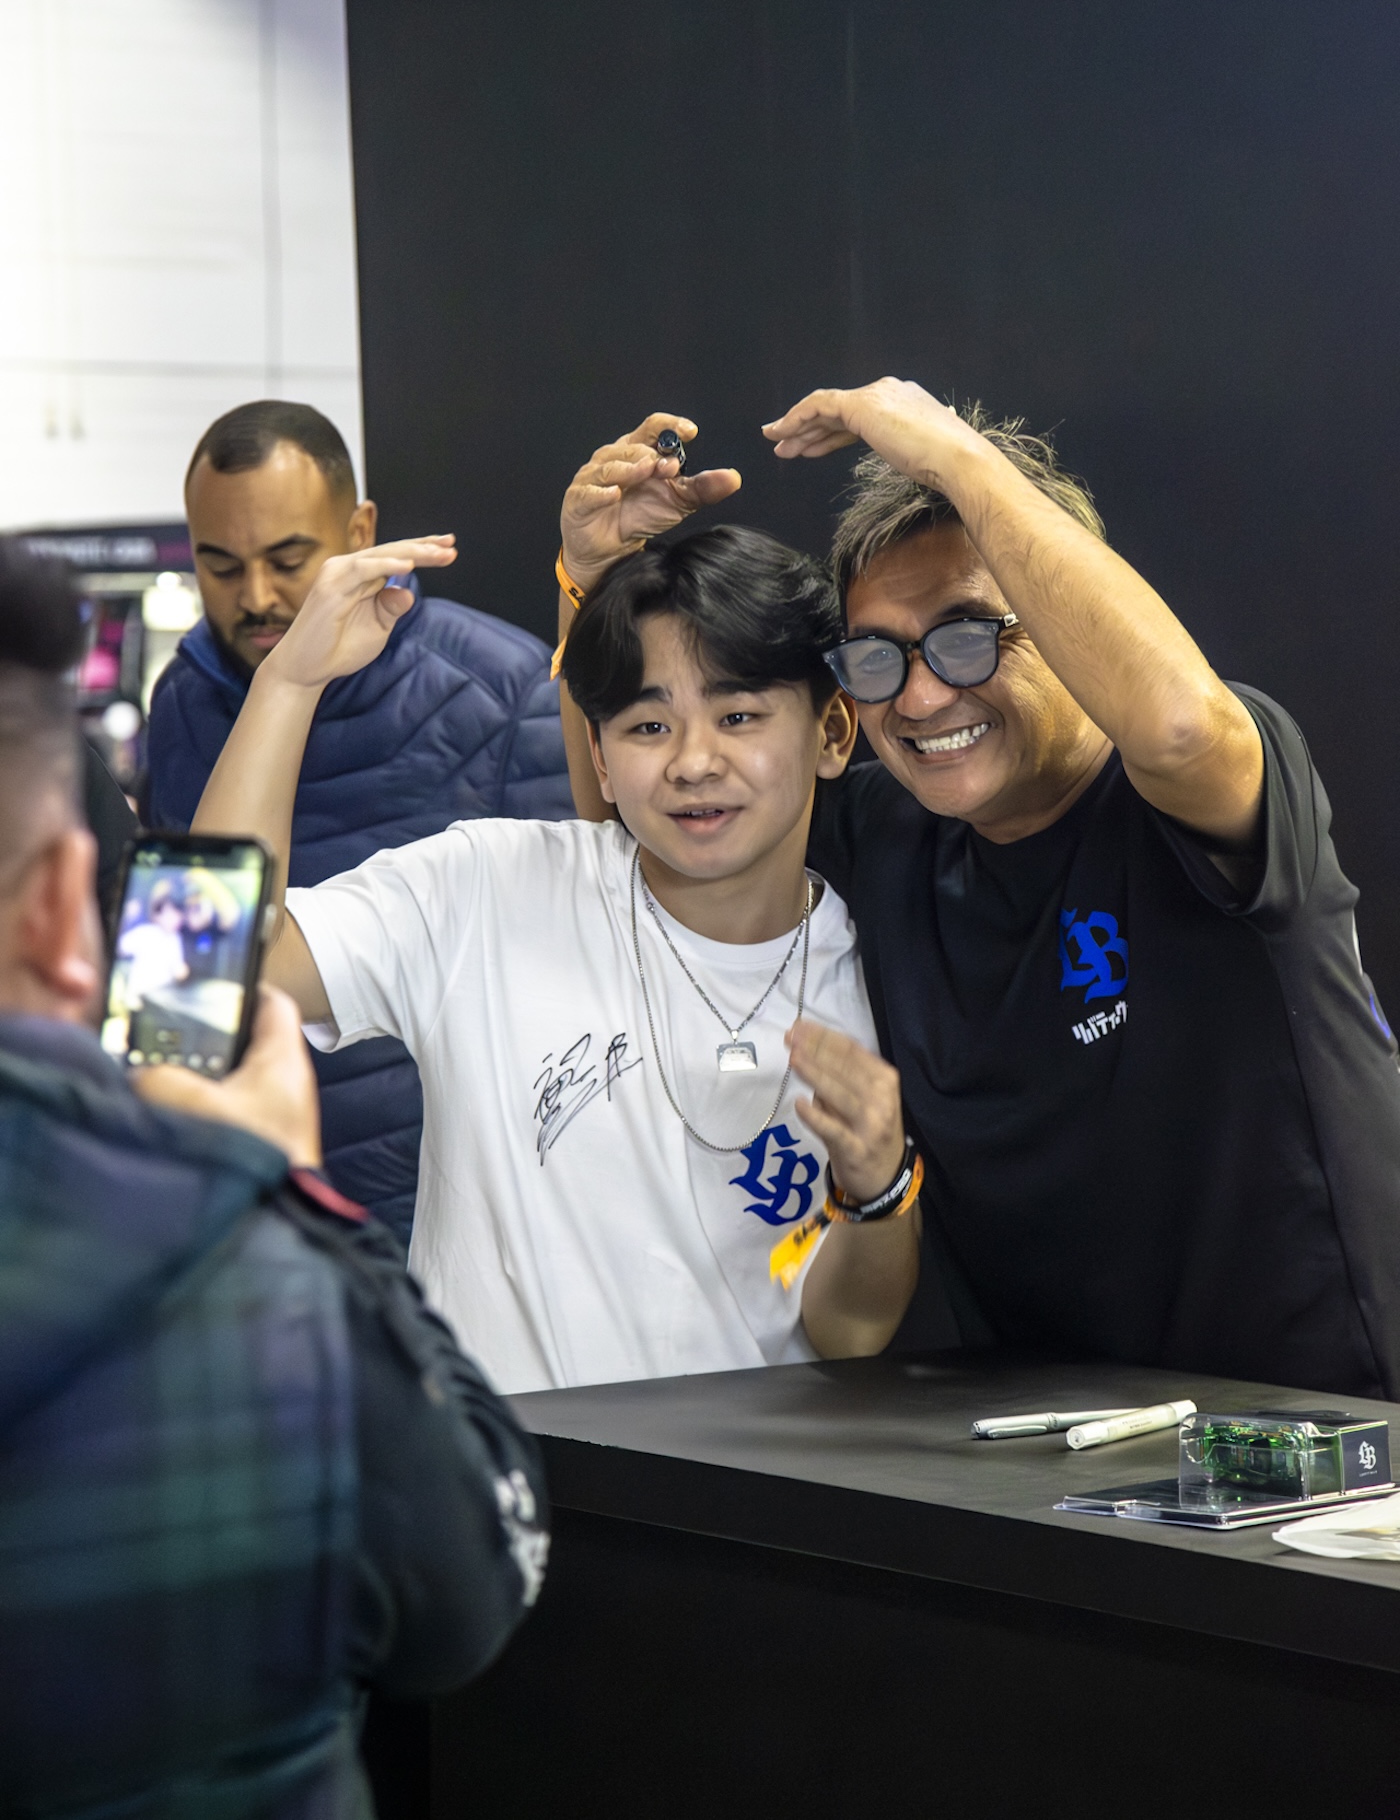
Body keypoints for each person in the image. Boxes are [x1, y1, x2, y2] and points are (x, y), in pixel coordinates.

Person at [569, 384, 1400, 1400]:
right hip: (1060, 1451)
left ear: (1054, 624)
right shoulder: (887, 833)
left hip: (1334, 1431)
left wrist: (951, 453)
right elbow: (643, 818)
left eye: (969, 636)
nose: (921, 696)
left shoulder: (1196, 793)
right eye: (877, 659)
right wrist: (593, 583)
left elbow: (1183, 729)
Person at [187, 421, 921, 1395]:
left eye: (738, 715)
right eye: (648, 725)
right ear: (600, 761)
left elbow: (847, 1331)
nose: (693, 760)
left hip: (746, 1484)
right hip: (496, 1475)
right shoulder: (486, 890)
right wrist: (288, 680)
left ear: (832, 731)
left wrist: (879, 1187)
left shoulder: (878, 978)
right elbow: (182, 985)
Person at [0, 537, 547, 1818]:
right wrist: (285, 1195)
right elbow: (468, 1596)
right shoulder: (266, 1299)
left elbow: (187, 993)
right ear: (67, 906)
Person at [144, 399, 573, 1240]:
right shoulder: (184, 703)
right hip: (247, 1205)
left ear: (360, 530)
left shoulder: (502, 691)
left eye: (287, 560)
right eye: (220, 566)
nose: (256, 596)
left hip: (446, 1216)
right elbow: (187, 986)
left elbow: (571, 977)